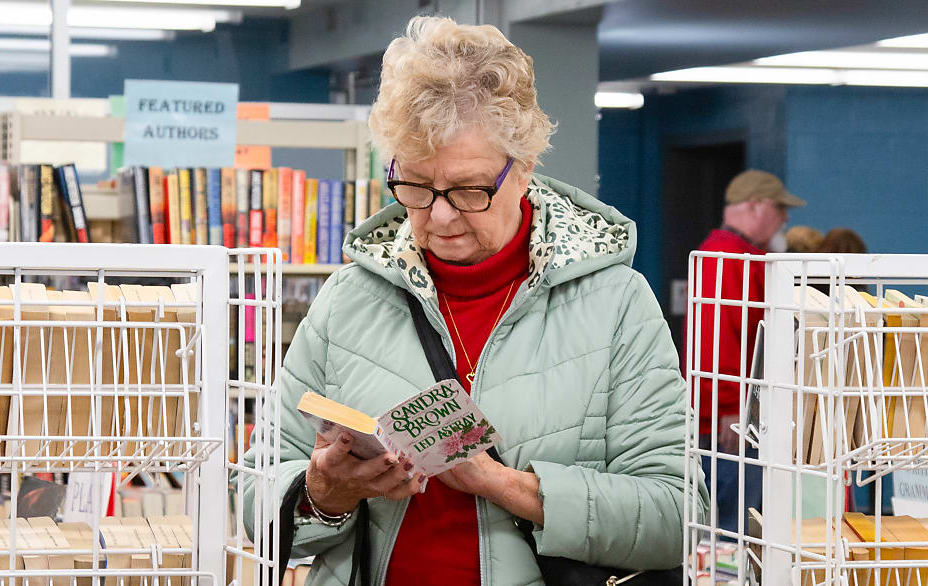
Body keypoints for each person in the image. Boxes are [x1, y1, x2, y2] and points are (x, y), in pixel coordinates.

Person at [246, 15, 702, 586]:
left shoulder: (616, 304)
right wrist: (324, 492)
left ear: (526, 167)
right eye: (413, 185)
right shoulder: (347, 301)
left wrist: (505, 485)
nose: (438, 216)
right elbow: (254, 496)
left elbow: (675, 514)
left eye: (468, 189)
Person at [691, 169, 804, 534]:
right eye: (779, 208)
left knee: (726, 531)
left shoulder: (730, 255)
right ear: (756, 207)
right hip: (731, 425)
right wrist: (729, 410)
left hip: (731, 418)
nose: (785, 218)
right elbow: (714, 340)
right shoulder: (728, 259)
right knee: (731, 533)